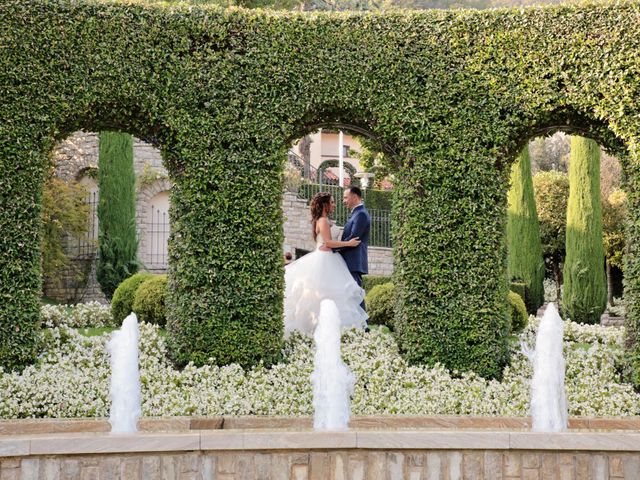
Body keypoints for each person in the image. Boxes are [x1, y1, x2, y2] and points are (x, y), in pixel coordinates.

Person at [284, 192, 369, 335]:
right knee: (321, 294)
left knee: (334, 295)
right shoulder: (322, 221)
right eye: (332, 202)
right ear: (325, 205)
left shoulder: (326, 220)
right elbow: (328, 242)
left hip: (332, 258)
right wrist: (348, 243)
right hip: (325, 260)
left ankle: (336, 329)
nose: (335, 204)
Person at [337, 186, 371, 311]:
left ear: (355, 197)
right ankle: (358, 326)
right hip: (351, 261)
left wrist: (333, 248)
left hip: (353, 261)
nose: (343, 201)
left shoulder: (361, 214)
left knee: (355, 294)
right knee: (351, 294)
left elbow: (354, 238)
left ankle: (363, 327)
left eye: (346, 197)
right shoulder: (357, 213)